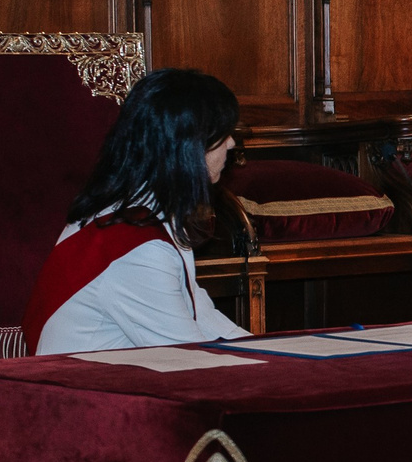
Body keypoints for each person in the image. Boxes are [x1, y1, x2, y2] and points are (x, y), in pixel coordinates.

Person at [26, 69, 252, 356]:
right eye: (221, 134)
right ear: (186, 147)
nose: (231, 143)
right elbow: (190, 358)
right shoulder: (139, 249)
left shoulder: (136, 210)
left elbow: (200, 314)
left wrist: (275, 353)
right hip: (86, 383)